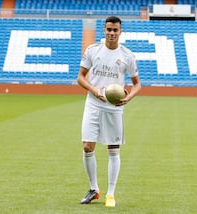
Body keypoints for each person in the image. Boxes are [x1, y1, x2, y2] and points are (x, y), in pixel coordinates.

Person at [77, 16, 141, 207]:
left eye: (115, 30)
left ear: (120, 32)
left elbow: (137, 84)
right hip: (93, 104)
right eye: (109, 30)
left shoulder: (128, 56)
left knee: (113, 149)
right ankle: (94, 189)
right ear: (103, 30)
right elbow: (80, 77)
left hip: (113, 108)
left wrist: (128, 97)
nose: (112, 33)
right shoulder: (93, 50)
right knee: (88, 147)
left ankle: (111, 194)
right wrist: (94, 90)